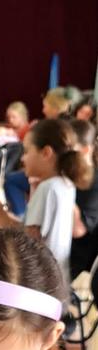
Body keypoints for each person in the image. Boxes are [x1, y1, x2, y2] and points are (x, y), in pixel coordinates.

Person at [0, 118, 92, 280]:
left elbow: (27, 241)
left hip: (40, 285)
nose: (22, 159)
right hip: (55, 281)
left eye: (27, 151)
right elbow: (34, 231)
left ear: (46, 153)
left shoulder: (48, 188)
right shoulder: (64, 184)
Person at [70, 119, 98, 278]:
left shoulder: (94, 183)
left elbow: (78, 231)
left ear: (85, 150)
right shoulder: (72, 174)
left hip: (75, 262)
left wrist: (65, 191)